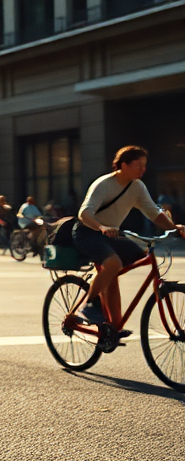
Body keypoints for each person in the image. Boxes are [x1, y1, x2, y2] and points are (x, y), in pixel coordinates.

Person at [74, 146, 185, 342]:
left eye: (144, 166)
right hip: (89, 231)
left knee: (141, 257)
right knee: (113, 263)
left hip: (111, 234)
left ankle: (112, 327)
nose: (143, 169)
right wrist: (101, 227)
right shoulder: (104, 184)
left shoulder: (137, 186)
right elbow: (84, 213)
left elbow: (153, 212)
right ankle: (90, 304)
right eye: (138, 165)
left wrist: (174, 227)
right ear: (123, 165)